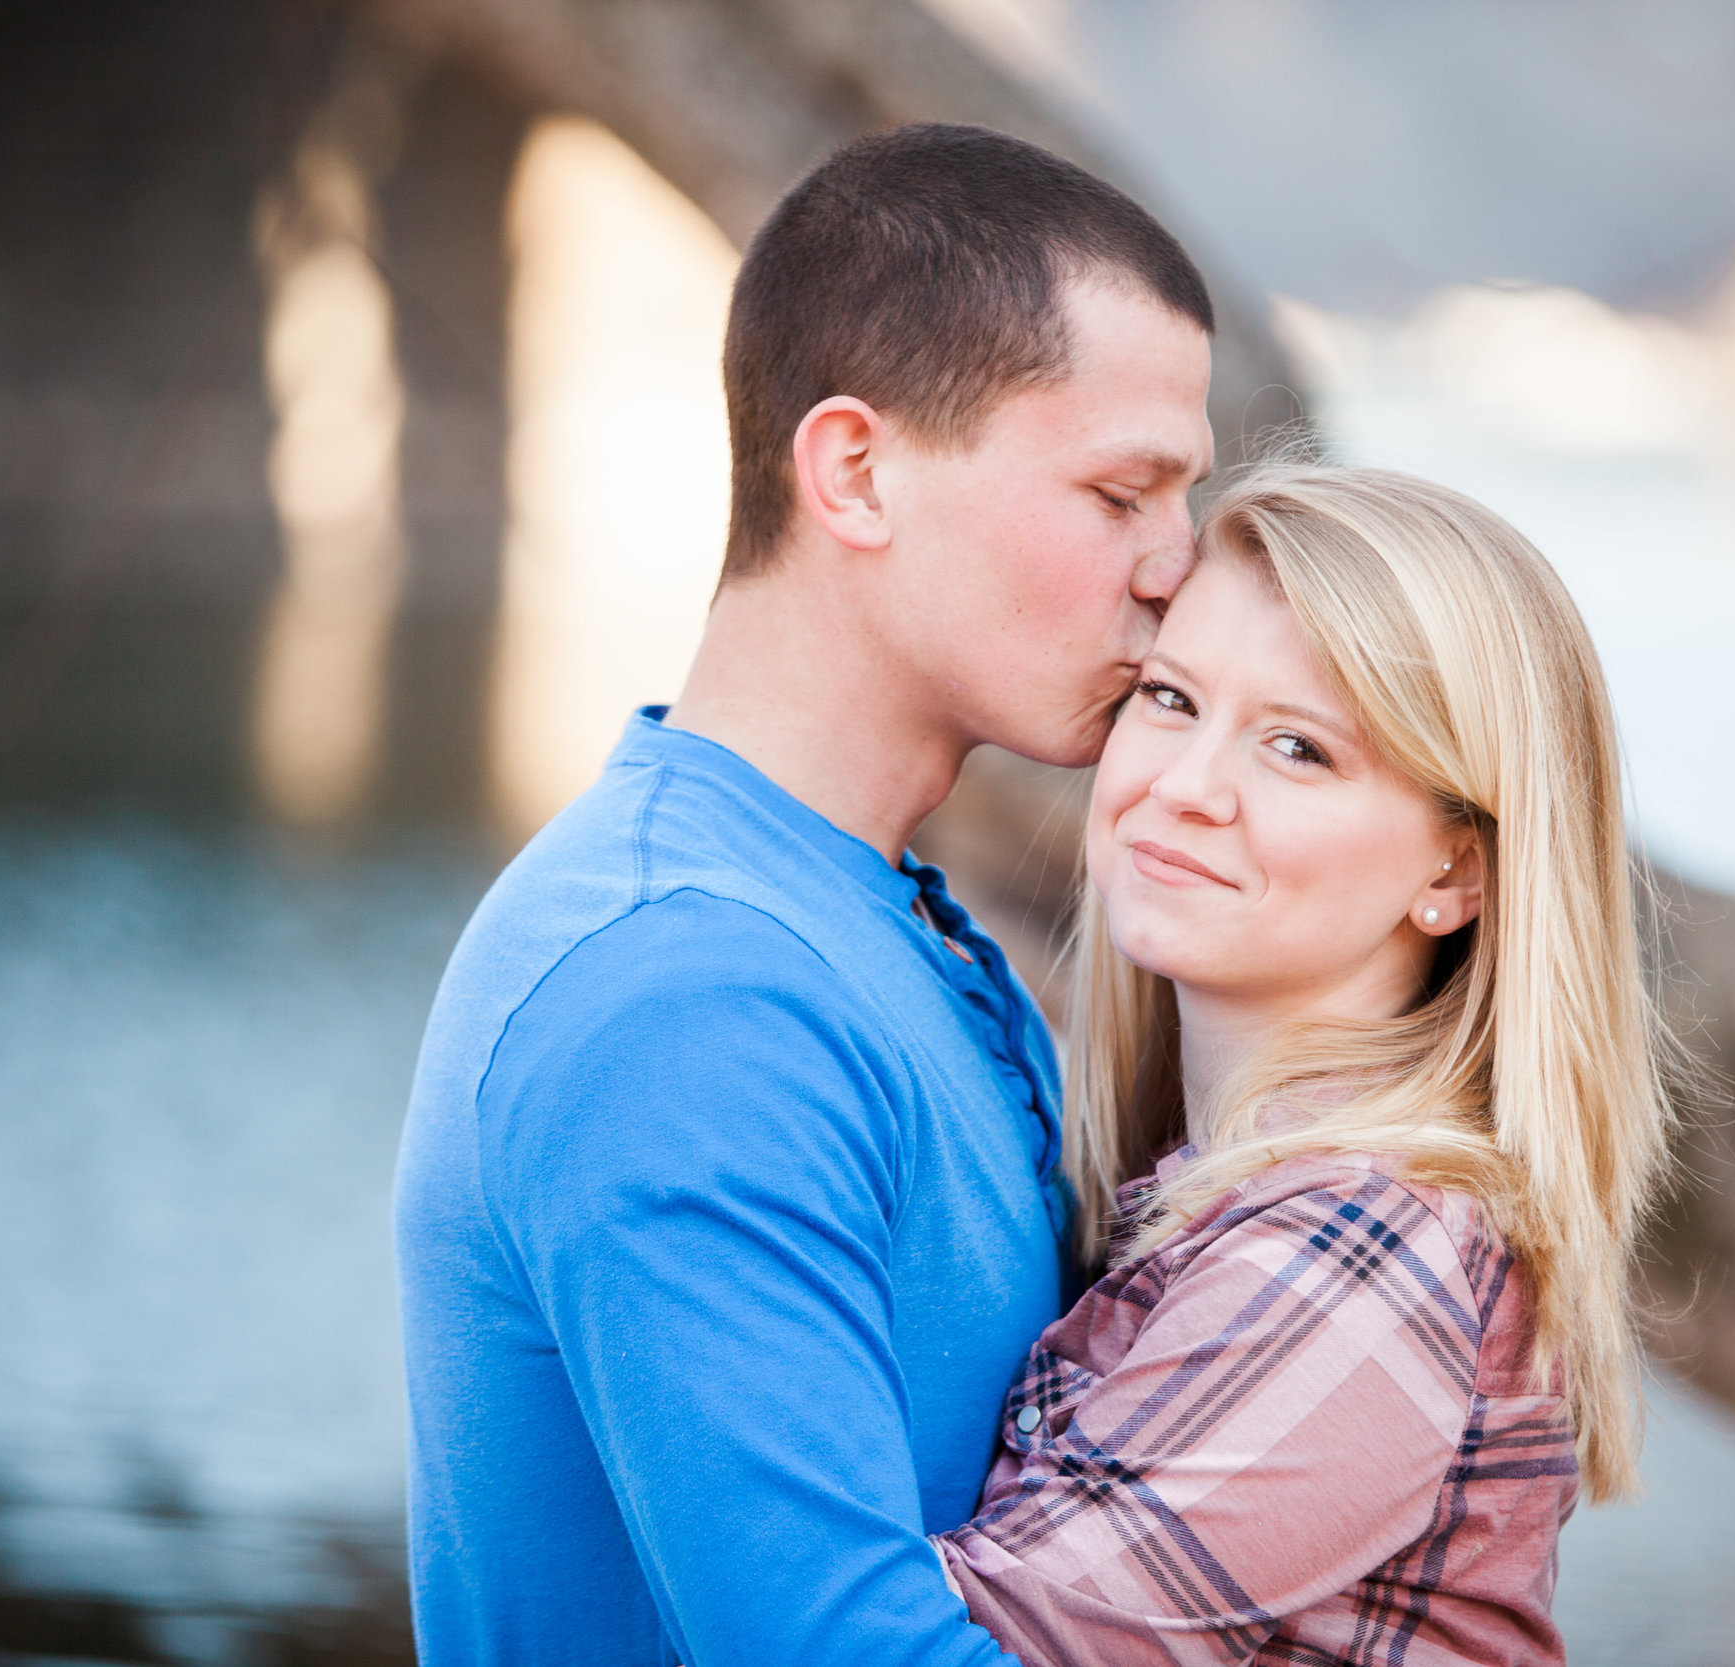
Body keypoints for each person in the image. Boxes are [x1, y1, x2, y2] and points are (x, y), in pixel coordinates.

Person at [392, 123, 1215, 1666]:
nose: (1179, 565)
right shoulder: (689, 996)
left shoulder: (885, 923)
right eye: (1122, 492)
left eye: (1185, 498)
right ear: (855, 470)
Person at [929, 466, 1677, 1664]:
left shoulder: (1360, 1240)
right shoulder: (1211, 1193)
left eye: (1296, 747)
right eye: (1170, 697)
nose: (1184, 787)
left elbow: (927, 1649)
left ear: (1456, 872)